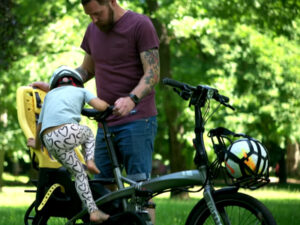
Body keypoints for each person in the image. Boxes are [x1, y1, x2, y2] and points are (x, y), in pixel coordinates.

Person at [32, 0, 160, 223]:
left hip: (138, 120)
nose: (94, 19)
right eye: (89, 15)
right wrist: (58, 84)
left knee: (140, 189)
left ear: (111, 2)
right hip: (105, 123)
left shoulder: (140, 25)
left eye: (97, 13)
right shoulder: (93, 30)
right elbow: (86, 70)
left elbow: (153, 73)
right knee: (101, 189)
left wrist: (132, 99)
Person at [27, 66, 110, 224]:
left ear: (55, 83)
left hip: (49, 140)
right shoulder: (81, 91)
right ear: (77, 82)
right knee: (88, 133)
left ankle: (93, 211)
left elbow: (40, 125)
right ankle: (90, 161)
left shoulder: (50, 95)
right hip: (68, 132)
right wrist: (108, 106)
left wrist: (36, 144)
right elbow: (100, 106)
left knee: (79, 174)